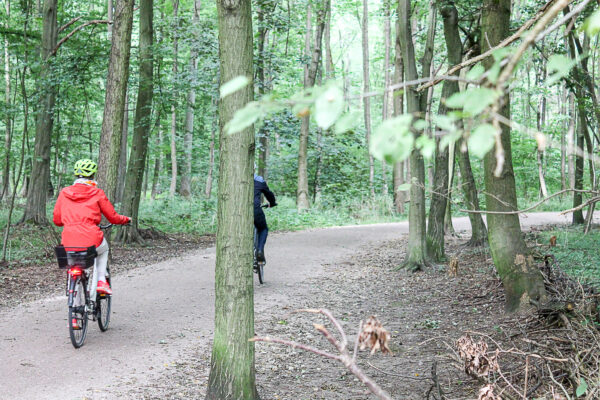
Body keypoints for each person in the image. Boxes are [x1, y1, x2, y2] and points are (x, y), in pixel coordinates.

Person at [53, 159, 131, 296]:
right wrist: (125, 220)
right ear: (93, 175)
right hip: (91, 238)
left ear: (76, 175)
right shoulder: (97, 193)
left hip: (68, 242)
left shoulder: (64, 193)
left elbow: (57, 221)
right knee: (104, 248)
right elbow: (113, 217)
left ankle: (74, 301)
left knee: (73, 259)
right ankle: (101, 280)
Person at [254, 172, 276, 262]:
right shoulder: (259, 180)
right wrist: (272, 203)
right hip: (255, 210)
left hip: (238, 211)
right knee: (263, 229)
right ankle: (259, 250)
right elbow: (269, 194)